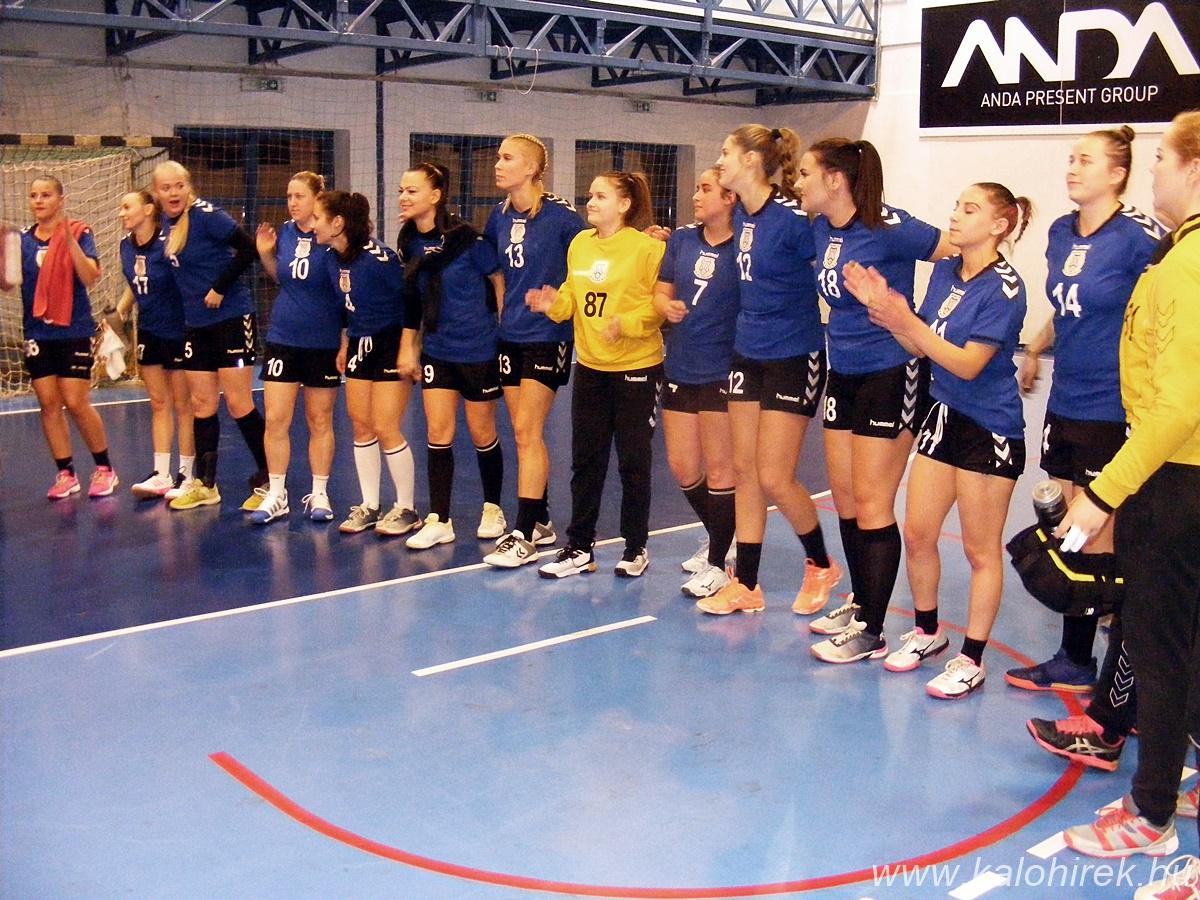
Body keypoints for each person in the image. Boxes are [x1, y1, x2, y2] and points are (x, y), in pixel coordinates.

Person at [1057, 111, 1200, 885]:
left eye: (1163, 161)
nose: (1155, 174)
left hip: (1175, 481)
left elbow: (1177, 405)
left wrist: (1106, 490)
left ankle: (1150, 816)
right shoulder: (1180, 256)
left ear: (1195, 169)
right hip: (1183, 476)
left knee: (1159, 651)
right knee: (1191, 646)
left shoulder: (1187, 266)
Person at [842, 182, 1031, 699]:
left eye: (969, 209)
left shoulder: (1005, 288)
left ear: (999, 225)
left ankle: (972, 659)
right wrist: (884, 311)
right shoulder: (945, 271)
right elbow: (919, 345)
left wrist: (907, 321)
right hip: (943, 416)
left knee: (979, 550)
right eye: (956, 206)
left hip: (989, 428)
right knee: (919, 533)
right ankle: (927, 631)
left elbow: (968, 364)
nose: (955, 215)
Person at [1003, 128, 1163, 692]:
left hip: (1112, 407)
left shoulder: (1140, 237)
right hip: (1066, 400)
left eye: (1086, 160)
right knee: (1068, 530)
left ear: (1117, 174)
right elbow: (1070, 307)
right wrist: (1036, 347)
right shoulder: (1059, 232)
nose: (1072, 168)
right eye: (1071, 158)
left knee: (1097, 535)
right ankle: (1080, 656)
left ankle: (1106, 665)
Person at [794, 138, 954, 663]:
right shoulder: (821, 227)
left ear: (835, 180)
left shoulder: (892, 226)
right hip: (843, 370)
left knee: (872, 502)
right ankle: (862, 601)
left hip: (892, 371)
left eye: (805, 173)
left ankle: (872, 629)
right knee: (845, 498)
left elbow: (957, 252)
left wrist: (921, 318)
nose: (798, 182)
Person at [696, 124, 841, 616]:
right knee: (745, 471)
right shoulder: (744, 215)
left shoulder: (795, 221)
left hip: (794, 356)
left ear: (752, 161)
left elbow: (832, 261)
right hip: (748, 352)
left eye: (726, 152)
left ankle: (821, 564)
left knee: (775, 476)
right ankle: (748, 583)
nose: (720, 161)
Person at [526, 170, 665, 578]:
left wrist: (627, 324)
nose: (591, 202)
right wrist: (553, 303)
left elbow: (658, 306)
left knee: (633, 462)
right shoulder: (580, 244)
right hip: (590, 367)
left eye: (601, 196)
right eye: (590, 195)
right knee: (586, 461)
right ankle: (579, 547)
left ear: (624, 204)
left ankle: (635, 547)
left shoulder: (647, 249)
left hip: (636, 368)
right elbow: (573, 295)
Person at [482, 134, 585, 567]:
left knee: (527, 430)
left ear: (531, 168)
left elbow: (588, 263)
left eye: (507, 158)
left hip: (549, 335)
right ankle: (540, 520)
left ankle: (522, 534)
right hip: (511, 335)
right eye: (498, 157)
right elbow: (493, 268)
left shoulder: (562, 217)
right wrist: (501, 310)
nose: (497, 164)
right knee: (523, 432)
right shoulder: (499, 215)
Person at [396, 163, 506, 551]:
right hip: (437, 350)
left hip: (478, 349)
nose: (403, 197)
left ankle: (493, 508)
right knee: (438, 433)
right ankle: (439, 520)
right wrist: (408, 347)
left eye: (412, 191)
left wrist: (504, 331)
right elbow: (413, 297)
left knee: (482, 432)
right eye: (401, 191)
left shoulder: (467, 239)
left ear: (435, 195)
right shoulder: (409, 240)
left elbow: (498, 279)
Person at [151, 161, 268, 511]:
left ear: (188, 186)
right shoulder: (165, 225)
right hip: (195, 324)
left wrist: (219, 288)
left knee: (238, 402)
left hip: (231, 317)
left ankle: (270, 477)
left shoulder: (207, 216)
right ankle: (206, 484)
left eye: (179, 186)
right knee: (202, 404)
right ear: (157, 193)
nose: (173, 193)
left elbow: (248, 249)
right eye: (166, 188)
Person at [311, 190, 420, 537]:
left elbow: (412, 304)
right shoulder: (331, 257)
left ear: (337, 223)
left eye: (318, 218)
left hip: (391, 342)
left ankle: (407, 508)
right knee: (361, 425)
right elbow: (347, 305)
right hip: (360, 343)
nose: (313, 225)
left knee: (386, 426)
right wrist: (346, 343)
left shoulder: (379, 260)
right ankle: (370, 505)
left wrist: (410, 349)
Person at [652, 169, 739, 598]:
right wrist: (665, 307)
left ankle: (720, 562)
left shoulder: (745, 245)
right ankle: (723, 534)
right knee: (683, 466)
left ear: (730, 198)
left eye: (705, 189)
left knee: (721, 468)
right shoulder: (683, 239)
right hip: (681, 364)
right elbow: (659, 292)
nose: (696, 195)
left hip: (724, 368)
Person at [10, 175, 118, 499]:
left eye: (46, 195)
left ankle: (105, 469)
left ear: (60, 200)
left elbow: (90, 277)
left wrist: (68, 242)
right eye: (33, 195)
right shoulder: (22, 240)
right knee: (48, 403)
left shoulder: (79, 232)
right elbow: (8, 283)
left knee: (75, 401)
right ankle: (66, 473)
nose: (39, 201)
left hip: (73, 328)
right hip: (37, 331)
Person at [251, 171, 347, 524]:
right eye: (289, 196)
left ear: (317, 198)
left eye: (299, 196)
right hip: (283, 337)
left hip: (322, 341)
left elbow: (345, 294)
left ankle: (319, 493)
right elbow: (282, 277)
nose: (292, 203)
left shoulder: (331, 237)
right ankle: (277, 494)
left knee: (319, 419)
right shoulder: (287, 233)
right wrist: (265, 254)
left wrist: (344, 343)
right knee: (276, 418)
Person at [115, 189, 193, 499]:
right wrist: (118, 315)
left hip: (179, 329)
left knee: (183, 405)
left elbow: (187, 283)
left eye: (127, 207)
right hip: (148, 329)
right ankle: (161, 474)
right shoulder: (126, 246)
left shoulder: (169, 243)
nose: (122, 213)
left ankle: (187, 475)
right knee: (159, 403)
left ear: (148, 210)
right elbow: (135, 284)